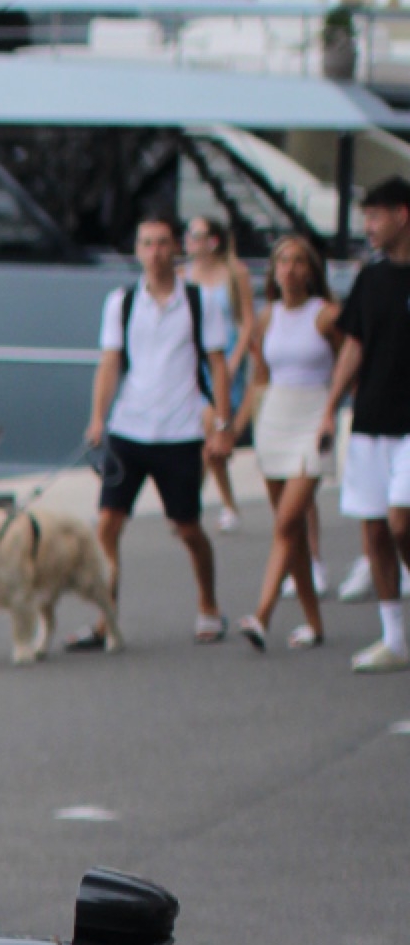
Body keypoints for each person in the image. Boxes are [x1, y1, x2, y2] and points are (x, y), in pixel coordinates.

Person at [82, 211, 234, 644]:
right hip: (129, 428)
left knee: (186, 528)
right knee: (108, 525)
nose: (154, 252)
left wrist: (222, 424)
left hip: (181, 430)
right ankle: (105, 619)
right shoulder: (122, 302)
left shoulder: (200, 302)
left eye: (163, 242)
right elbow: (110, 362)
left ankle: (208, 604)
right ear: (137, 250)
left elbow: (218, 364)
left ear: (177, 248)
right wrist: (98, 417)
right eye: (146, 243)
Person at [313, 176, 410, 675]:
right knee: (374, 531)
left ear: (402, 215)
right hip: (371, 418)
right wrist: (331, 405)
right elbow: (354, 344)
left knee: (402, 521)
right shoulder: (371, 280)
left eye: (374, 216)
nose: (367, 227)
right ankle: (394, 639)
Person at [231, 232, 338, 652]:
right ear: (273, 271)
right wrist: (235, 427)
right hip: (274, 419)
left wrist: (334, 411)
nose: (290, 269)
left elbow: (349, 367)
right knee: (288, 530)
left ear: (311, 270)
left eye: (298, 261)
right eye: (282, 262)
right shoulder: (267, 315)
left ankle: (262, 613)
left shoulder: (327, 315)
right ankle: (314, 622)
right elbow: (259, 378)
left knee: (287, 522)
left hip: (313, 420)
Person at [183, 211, 253, 524]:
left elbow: (247, 321)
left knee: (211, 430)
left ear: (212, 242)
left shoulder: (234, 272)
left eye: (197, 235)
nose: (190, 241)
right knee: (206, 437)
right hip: (196, 365)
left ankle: (190, 503)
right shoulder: (185, 276)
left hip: (225, 362)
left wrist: (236, 359)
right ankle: (220, 504)